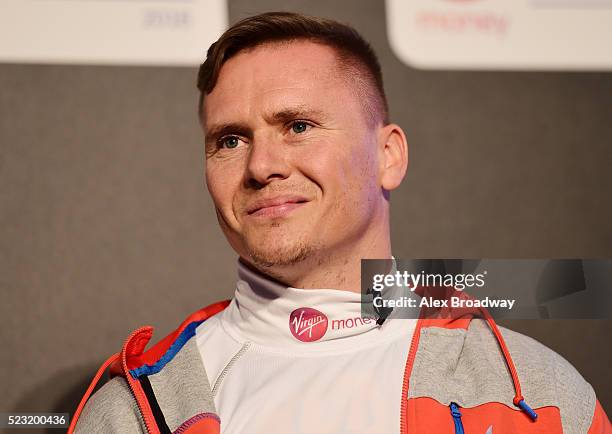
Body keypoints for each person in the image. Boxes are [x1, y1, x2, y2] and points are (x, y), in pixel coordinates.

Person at [69, 12, 611, 434]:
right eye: (230, 140)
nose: (261, 166)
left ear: (388, 157)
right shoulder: (135, 411)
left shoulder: (535, 393)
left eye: (299, 126)